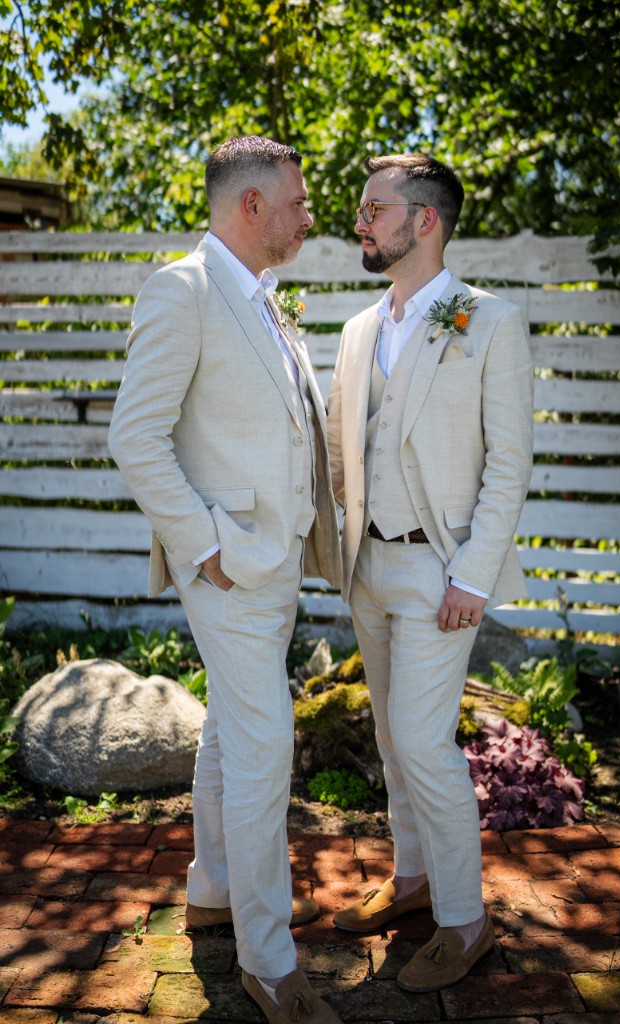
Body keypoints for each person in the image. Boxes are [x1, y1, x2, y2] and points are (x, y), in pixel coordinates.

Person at [108, 136, 343, 1024]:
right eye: (297, 202)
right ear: (251, 205)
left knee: (228, 734)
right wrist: (207, 545)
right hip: (232, 566)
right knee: (263, 748)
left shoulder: (264, 298)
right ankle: (269, 960)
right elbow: (136, 434)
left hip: (271, 562)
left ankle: (211, 887)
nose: (308, 216)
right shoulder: (185, 290)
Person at [327, 153, 534, 992]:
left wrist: (474, 578)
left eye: (375, 208)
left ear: (426, 221)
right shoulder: (356, 330)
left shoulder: (490, 321)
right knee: (388, 737)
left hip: (442, 570)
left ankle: (465, 919)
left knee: (422, 741)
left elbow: (510, 464)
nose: (360, 221)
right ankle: (412, 879)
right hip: (366, 567)